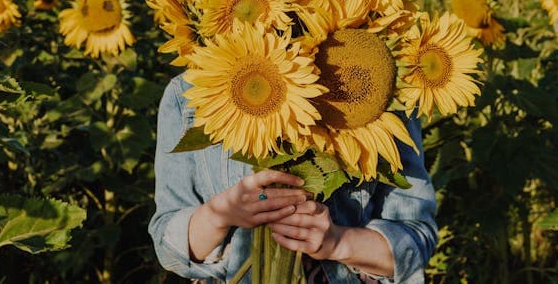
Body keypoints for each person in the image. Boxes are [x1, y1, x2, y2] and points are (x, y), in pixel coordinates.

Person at [149, 74, 438, 283]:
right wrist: (220, 214)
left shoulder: (374, 85)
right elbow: (169, 249)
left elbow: (416, 239)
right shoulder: (189, 93)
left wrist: (336, 242)